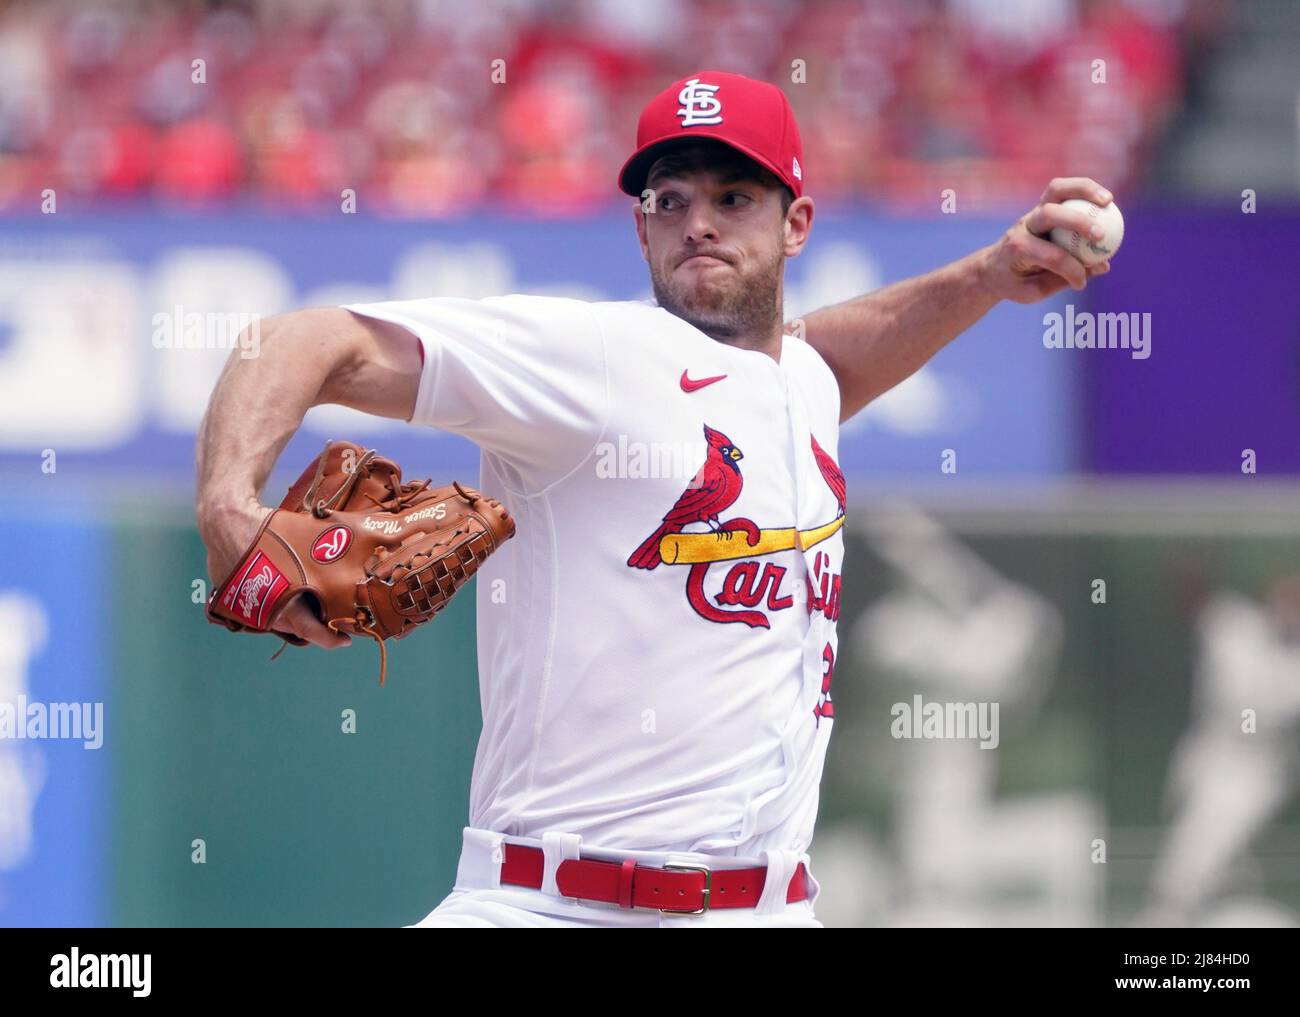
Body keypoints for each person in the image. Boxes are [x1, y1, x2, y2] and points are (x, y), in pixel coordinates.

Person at [195, 69, 1113, 927]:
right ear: (640, 230)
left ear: (796, 225)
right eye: (669, 200)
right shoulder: (589, 356)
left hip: (769, 906)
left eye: (732, 197)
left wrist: (988, 276)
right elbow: (294, 338)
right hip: (550, 902)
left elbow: (829, 356)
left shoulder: (800, 381)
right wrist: (227, 507)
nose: (698, 223)